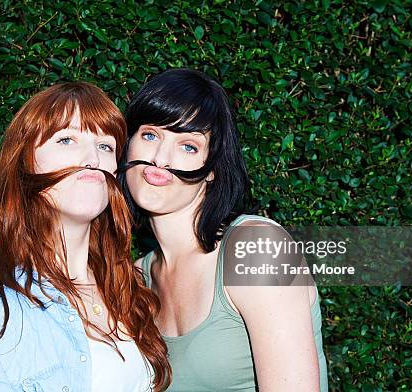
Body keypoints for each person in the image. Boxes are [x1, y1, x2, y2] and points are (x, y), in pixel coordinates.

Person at [0, 82, 171, 391]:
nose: (92, 157)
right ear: (25, 166)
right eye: (66, 140)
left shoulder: (131, 287)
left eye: (105, 145)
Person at [120, 68, 328, 391]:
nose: (160, 158)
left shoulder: (256, 248)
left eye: (188, 146)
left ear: (213, 170)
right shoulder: (134, 281)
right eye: (150, 135)